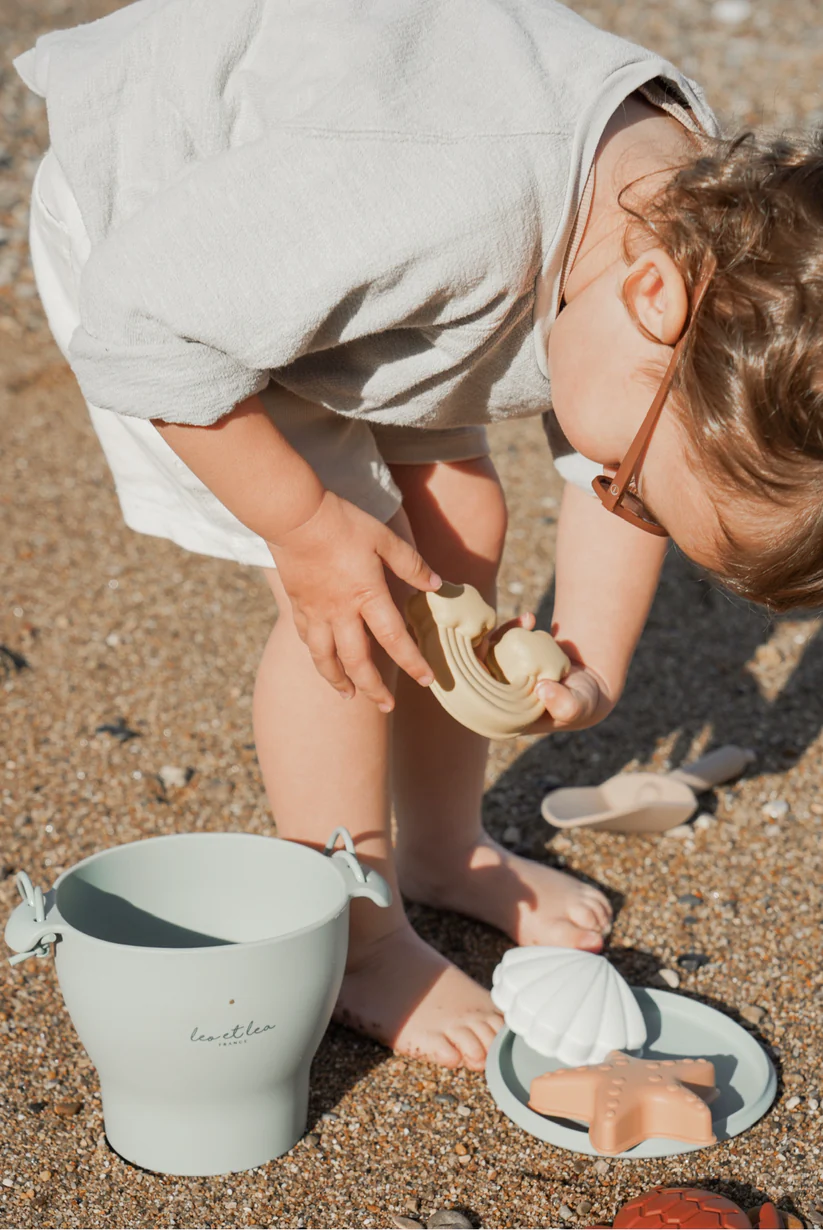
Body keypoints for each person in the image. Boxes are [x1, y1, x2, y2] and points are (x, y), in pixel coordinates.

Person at [16, 0, 822, 1071]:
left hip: (363, 253)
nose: (621, 499)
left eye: (643, 507)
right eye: (641, 489)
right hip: (173, 244)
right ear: (653, 298)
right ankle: (355, 933)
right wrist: (309, 534)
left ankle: (446, 852)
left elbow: (605, 464)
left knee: (464, 517)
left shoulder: (671, 212)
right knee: (364, 597)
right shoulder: (454, 199)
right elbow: (147, 322)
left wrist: (591, 654)